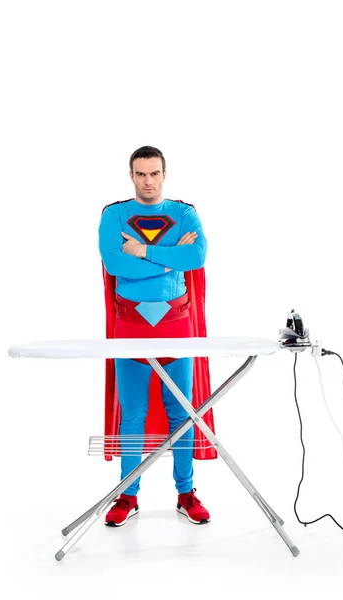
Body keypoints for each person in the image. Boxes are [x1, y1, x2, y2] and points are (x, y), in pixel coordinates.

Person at [98, 146, 216, 528]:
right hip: (129, 324)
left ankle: (186, 492)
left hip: (176, 324)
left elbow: (196, 258)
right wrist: (167, 256)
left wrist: (144, 251)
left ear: (165, 174)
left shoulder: (184, 214)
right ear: (131, 176)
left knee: (181, 413)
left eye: (154, 173)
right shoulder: (114, 215)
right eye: (140, 174)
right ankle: (128, 495)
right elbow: (115, 263)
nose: (148, 181)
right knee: (132, 415)